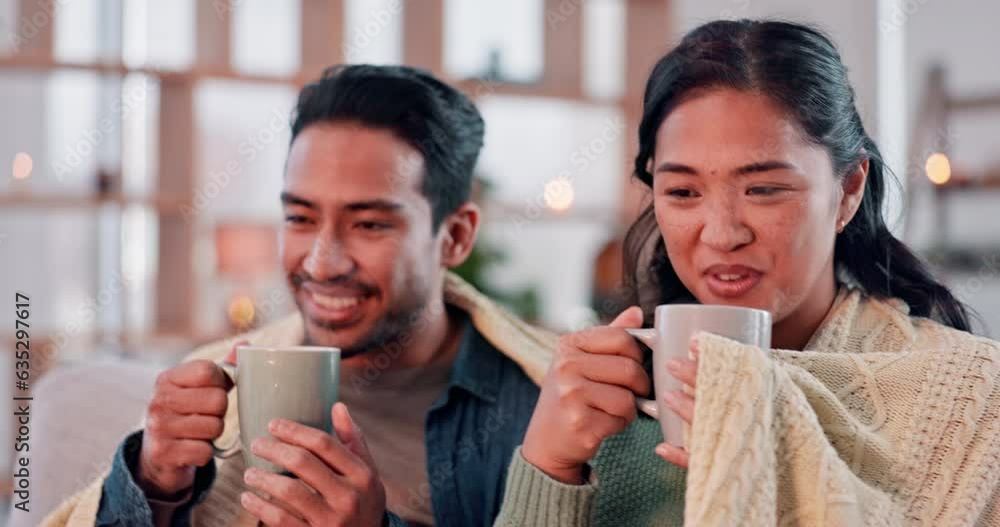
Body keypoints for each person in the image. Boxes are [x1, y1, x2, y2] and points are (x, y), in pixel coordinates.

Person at [495, 19, 1000, 526]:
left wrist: (787, 487)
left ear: (848, 190)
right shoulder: (604, 409)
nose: (720, 235)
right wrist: (550, 466)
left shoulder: (971, 399)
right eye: (683, 193)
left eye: (763, 190)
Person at [44, 64, 553, 527]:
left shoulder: (546, 416)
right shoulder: (224, 386)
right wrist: (155, 483)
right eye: (300, 218)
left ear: (456, 236)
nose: (321, 263)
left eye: (370, 223)